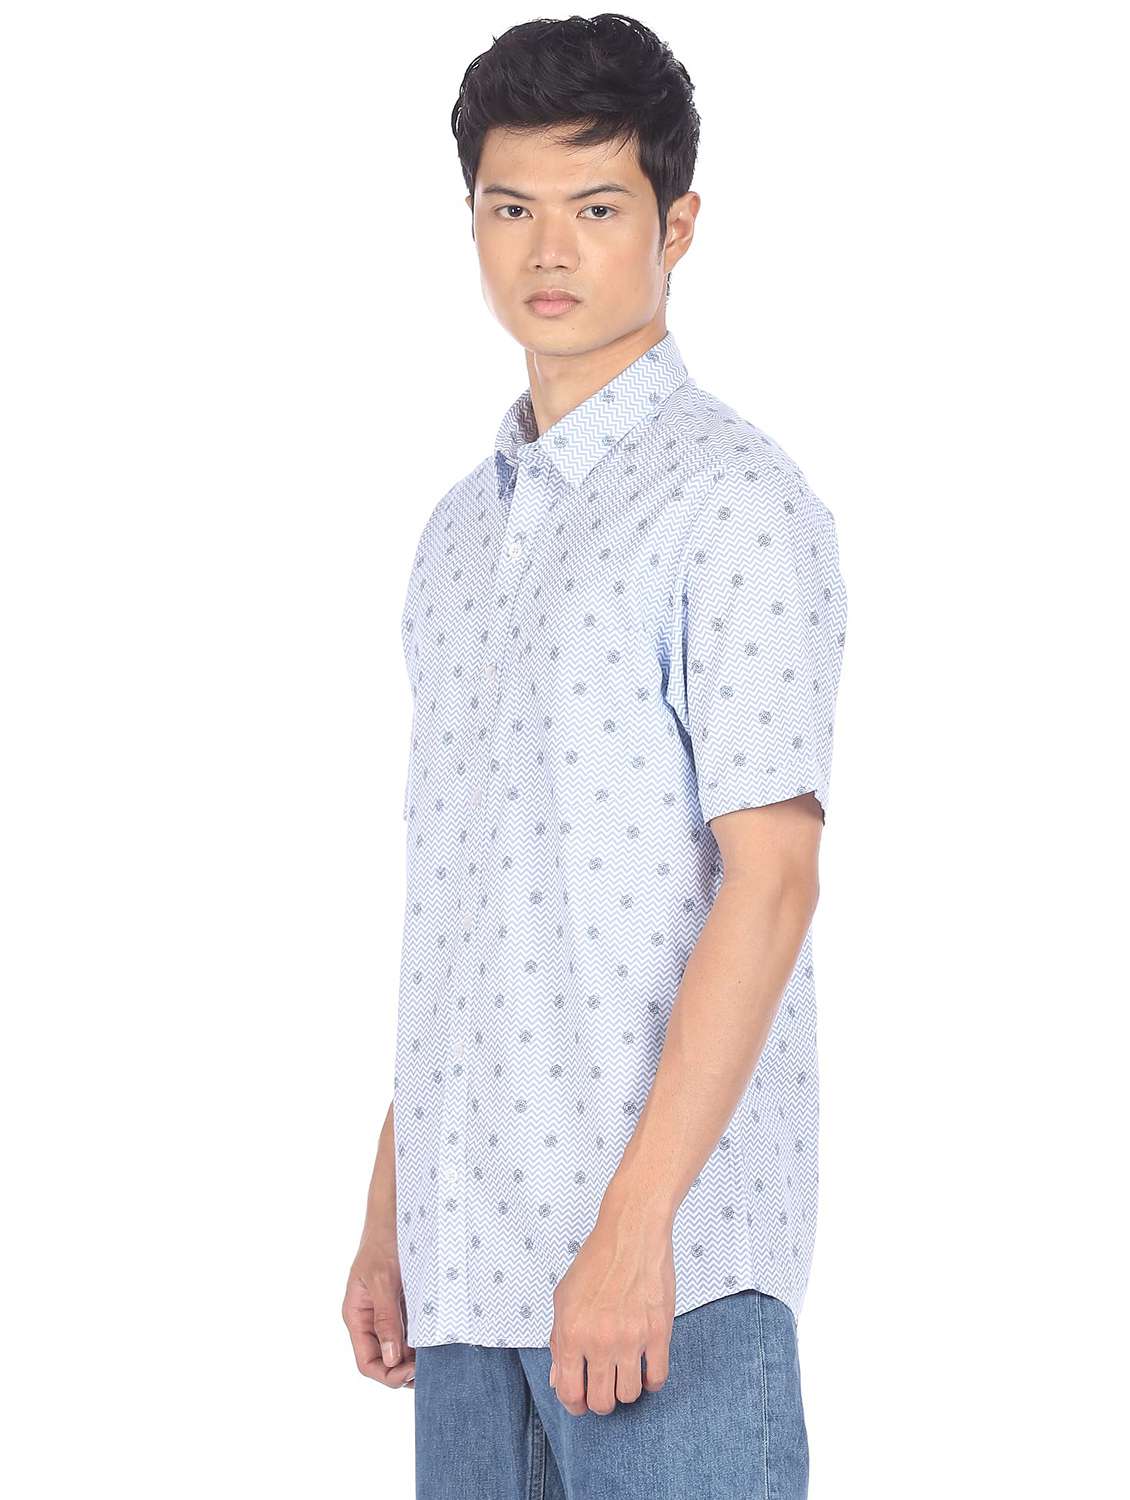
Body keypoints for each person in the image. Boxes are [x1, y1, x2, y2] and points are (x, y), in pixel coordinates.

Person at [342, 14, 848, 1498]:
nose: (548, 250)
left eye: (597, 206)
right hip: (465, 1281)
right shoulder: (456, 538)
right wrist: (391, 1210)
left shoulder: (732, 504)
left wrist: (636, 1230)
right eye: (512, 208)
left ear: (675, 227)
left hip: (667, 1284)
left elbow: (772, 880)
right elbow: (467, 906)